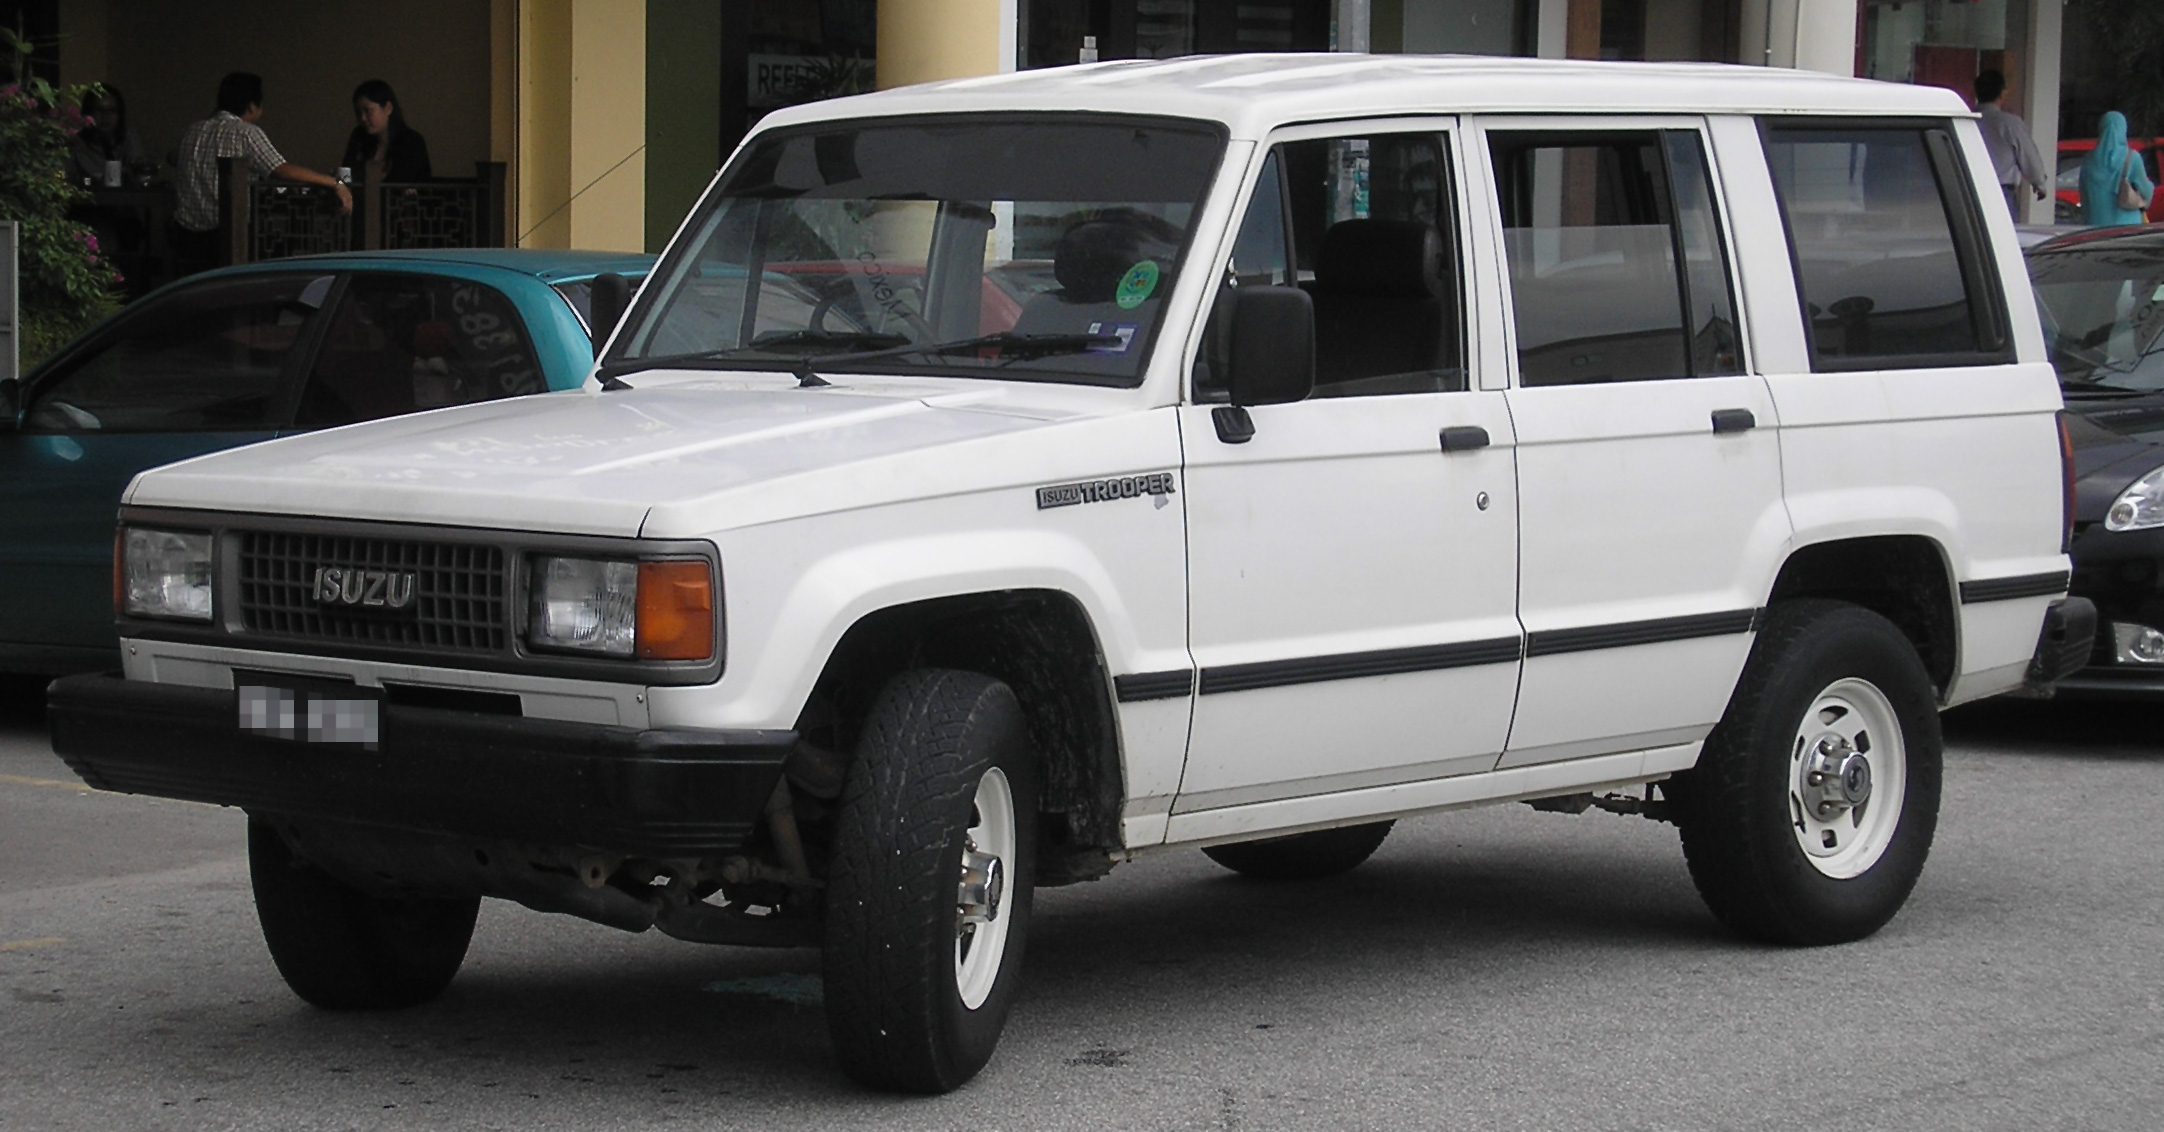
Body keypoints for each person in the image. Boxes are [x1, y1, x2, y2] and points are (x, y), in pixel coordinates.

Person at [171, 71, 351, 273]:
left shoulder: (192, 130)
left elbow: (172, 158)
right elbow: (281, 170)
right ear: (252, 106)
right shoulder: (246, 132)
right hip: (227, 238)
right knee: (281, 249)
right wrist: (334, 183)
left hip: (185, 237)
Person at [1974, 69, 2047, 219]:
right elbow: (2028, 156)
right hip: (2001, 192)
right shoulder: (2009, 123)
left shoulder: (1966, 121)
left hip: (1969, 191)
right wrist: (2039, 183)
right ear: (2002, 94)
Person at [340, 78, 431, 185]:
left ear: (388, 108)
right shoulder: (359, 136)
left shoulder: (411, 141)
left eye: (367, 110)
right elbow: (344, 175)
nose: (363, 118)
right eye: (359, 112)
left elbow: (403, 182)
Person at [2080, 111, 2156, 228]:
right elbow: (2146, 191)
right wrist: (2150, 186)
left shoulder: (2087, 161)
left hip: (2095, 227)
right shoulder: (2131, 157)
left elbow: (2084, 197)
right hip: (2128, 228)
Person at [68, 84, 145, 184]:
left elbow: (139, 173)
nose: (105, 116)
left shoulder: (129, 138)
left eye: (112, 111)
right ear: (89, 113)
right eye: (99, 110)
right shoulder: (76, 142)